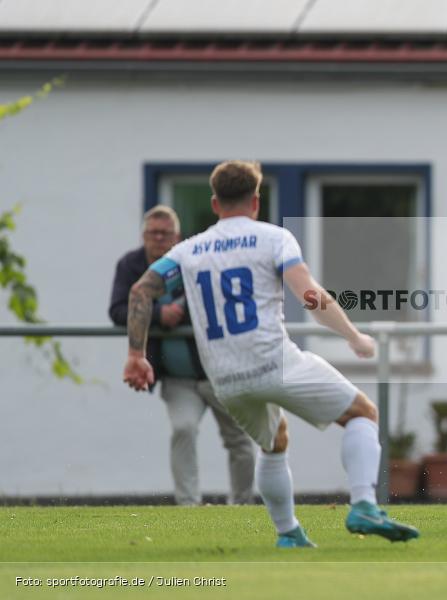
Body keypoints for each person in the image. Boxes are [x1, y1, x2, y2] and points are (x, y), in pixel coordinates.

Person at [122, 161, 418, 547]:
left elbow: (140, 291)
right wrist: (353, 335)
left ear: (215, 203)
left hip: (225, 378)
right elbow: (310, 294)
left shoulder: (186, 251)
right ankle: (364, 504)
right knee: (362, 413)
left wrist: (135, 355)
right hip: (276, 363)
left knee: (273, 440)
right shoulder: (274, 239)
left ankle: (289, 534)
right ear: (256, 201)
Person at [110, 205, 256, 506]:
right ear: (143, 236)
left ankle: (242, 504)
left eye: (165, 234)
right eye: (153, 233)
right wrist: (160, 314)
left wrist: (184, 313)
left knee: (240, 438)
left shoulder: (196, 257)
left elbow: (219, 300)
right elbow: (119, 309)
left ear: (177, 236)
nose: (159, 239)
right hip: (176, 375)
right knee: (183, 428)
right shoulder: (131, 265)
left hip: (219, 369)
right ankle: (188, 505)